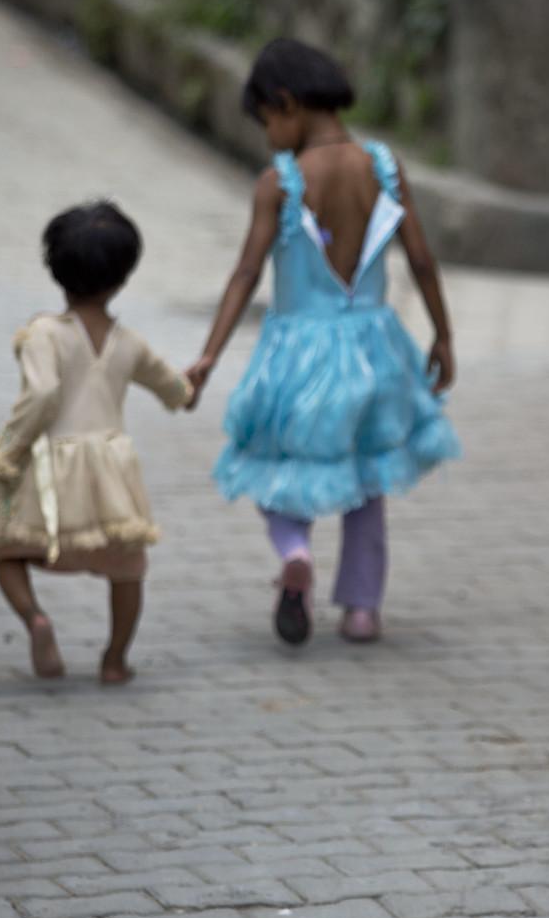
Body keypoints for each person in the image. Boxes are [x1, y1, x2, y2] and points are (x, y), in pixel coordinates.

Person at [186, 39, 460, 647]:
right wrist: (442, 333)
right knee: (367, 479)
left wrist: (208, 354)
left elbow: (245, 274)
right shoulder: (383, 168)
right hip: (375, 347)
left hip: (299, 353)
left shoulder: (278, 184)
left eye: (266, 122)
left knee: (282, 466)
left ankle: (294, 548)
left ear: (286, 104)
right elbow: (420, 257)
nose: (268, 137)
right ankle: (362, 609)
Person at [0, 201, 193, 685]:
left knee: (5, 548)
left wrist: (8, 449)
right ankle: (114, 660)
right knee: (127, 567)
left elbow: (41, 395)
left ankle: (36, 619)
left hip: (50, 466)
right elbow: (170, 386)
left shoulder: (43, 334)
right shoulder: (128, 341)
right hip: (112, 471)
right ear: (123, 277)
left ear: (55, 269)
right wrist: (187, 389)